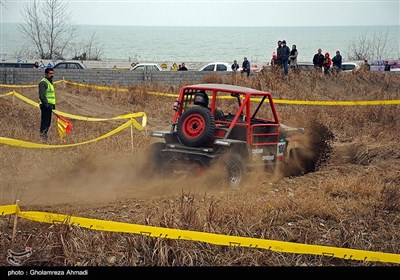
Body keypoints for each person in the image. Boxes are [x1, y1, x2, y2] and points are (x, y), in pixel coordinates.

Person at [38, 67, 56, 141]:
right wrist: (47, 105)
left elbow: (51, 96)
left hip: (49, 106)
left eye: (52, 73)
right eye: (50, 73)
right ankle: (43, 138)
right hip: (45, 106)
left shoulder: (50, 82)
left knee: (48, 123)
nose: (52, 75)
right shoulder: (43, 82)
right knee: (45, 123)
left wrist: (53, 106)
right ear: (46, 74)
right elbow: (42, 96)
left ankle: (44, 137)